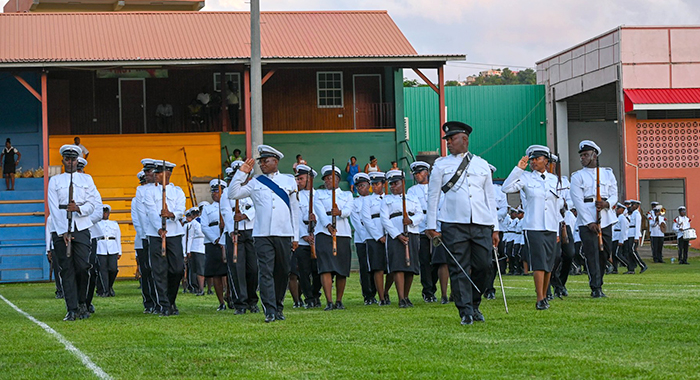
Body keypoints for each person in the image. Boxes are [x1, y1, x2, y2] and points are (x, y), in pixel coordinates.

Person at [426, 121, 500, 325]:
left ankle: (475, 303)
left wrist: (496, 228)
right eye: (447, 139)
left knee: (484, 265)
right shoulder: (441, 164)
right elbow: (433, 196)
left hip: (481, 223)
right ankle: (465, 310)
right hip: (453, 222)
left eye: (452, 138)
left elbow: (490, 198)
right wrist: (431, 225)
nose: (448, 142)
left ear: (464, 139)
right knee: (458, 267)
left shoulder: (481, 164)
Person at [228, 145, 299, 323]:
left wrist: (295, 236)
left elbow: (295, 211)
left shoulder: (289, 181)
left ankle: (278, 305)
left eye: (265, 161)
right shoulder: (255, 182)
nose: (262, 164)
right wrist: (242, 173)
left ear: (275, 161)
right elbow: (233, 193)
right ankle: (269, 310)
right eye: (260, 161)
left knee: (282, 272)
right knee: (265, 271)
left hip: (284, 233)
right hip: (262, 234)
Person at [502, 145, 565, 310]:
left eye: (537, 159)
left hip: (551, 226)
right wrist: (518, 169)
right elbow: (506, 188)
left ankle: (545, 296)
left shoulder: (554, 180)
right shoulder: (526, 178)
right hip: (533, 226)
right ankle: (539, 298)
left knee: (549, 264)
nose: (533, 162)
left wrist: (558, 230)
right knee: (539, 262)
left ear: (546, 161)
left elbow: (557, 206)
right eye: (532, 159)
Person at [48, 144, 101, 321]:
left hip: (81, 227)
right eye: (67, 159)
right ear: (63, 160)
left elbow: (93, 203)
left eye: (73, 159)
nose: (70, 162)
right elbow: (54, 208)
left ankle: (82, 302)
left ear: (77, 160)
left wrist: (79, 208)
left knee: (82, 267)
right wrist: (63, 231)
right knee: (66, 269)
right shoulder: (55, 181)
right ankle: (71, 308)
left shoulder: (87, 180)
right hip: (61, 230)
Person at [570, 140, 618, 298]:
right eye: (581, 155)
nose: (582, 158)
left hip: (606, 217)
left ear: (594, 155)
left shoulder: (607, 173)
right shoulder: (577, 176)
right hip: (587, 220)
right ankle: (596, 287)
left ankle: (600, 279)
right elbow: (577, 200)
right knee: (592, 254)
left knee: (605, 253)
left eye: (586, 155)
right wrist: (589, 222)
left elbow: (614, 194)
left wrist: (607, 203)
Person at [142, 160, 186, 316]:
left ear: (168, 174)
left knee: (177, 269)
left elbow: (181, 209)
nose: (156, 175)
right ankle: (164, 305)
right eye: (156, 172)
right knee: (159, 270)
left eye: (159, 173)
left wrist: (171, 214)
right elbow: (151, 212)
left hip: (174, 233)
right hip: (156, 235)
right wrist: (159, 228)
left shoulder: (178, 192)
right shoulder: (149, 192)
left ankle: (171, 299)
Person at [312, 164, 353, 310]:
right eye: (326, 179)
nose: (328, 181)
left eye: (331, 178)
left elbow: (348, 210)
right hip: (324, 232)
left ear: (338, 179)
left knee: (341, 268)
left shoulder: (347, 195)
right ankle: (329, 300)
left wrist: (340, 212)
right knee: (326, 267)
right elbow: (320, 211)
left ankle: (339, 300)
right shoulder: (319, 194)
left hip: (342, 232)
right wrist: (328, 225)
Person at [381, 170, 423, 308]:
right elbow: (384, 220)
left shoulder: (412, 197)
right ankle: (400, 298)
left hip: (412, 233)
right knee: (398, 266)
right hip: (396, 235)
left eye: (396, 183)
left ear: (403, 183)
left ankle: (406, 295)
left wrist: (411, 220)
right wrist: (397, 235)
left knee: (410, 267)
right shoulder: (386, 200)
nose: (393, 186)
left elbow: (420, 214)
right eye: (391, 184)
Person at [223, 161, 259, 313]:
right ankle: (240, 302)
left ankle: (252, 300)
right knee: (237, 268)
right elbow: (225, 212)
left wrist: (245, 215)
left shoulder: (253, 189)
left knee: (253, 268)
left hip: (251, 230)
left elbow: (258, 207)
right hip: (234, 233)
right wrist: (232, 230)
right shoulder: (227, 192)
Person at [406, 161, 439, 302]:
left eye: (419, 173)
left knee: (437, 261)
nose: (417, 176)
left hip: (436, 227)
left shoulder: (436, 188)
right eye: (415, 174)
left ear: (427, 173)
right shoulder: (412, 190)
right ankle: (428, 291)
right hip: (420, 229)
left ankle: (434, 286)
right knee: (424, 261)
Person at [295, 164, 322, 308]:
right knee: (304, 272)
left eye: (301, 179)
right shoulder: (295, 196)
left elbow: (323, 215)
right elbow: (295, 218)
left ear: (310, 179)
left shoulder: (318, 195)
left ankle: (316, 293)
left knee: (318, 271)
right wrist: (303, 235)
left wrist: (315, 220)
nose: (298, 182)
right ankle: (309, 298)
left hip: (316, 239)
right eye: (297, 179)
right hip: (302, 239)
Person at [200, 179, 229, 311]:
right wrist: (216, 240)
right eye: (213, 192)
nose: (215, 194)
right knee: (216, 273)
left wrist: (224, 238)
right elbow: (204, 227)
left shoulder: (228, 205)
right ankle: (221, 301)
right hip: (213, 242)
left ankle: (230, 295)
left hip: (226, 239)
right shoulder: (207, 208)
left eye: (217, 191)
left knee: (229, 272)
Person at [362, 171, 390, 305]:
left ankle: (386, 290)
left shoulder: (389, 199)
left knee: (393, 267)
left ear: (383, 185)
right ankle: (381, 297)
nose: (375, 187)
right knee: (377, 267)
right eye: (373, 184)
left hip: (391, 235)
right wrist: (379, 236)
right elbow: (367, 220)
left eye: (377, 184)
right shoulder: (367, 200)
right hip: (374, 237)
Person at [134, 159, 158, 313]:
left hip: (157, 236)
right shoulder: (138, 195)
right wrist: (145, 236)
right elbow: (138, 220)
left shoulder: (159, 191)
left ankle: (159, 300)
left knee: (158, 270)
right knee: (147, 271)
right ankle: (149, 301)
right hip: (143, 238)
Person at [350, 172, 377, 305]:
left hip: (375, 238)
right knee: (365, 267)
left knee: (376, 267)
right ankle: (368, 295)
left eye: (363, 185)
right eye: (358, 186)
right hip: (362, 239)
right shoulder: (355, 203)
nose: (360, 188)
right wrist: (366, 237)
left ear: (369, 186)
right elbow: (356, 223)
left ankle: (378, 292)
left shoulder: (375, 200)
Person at [484, 164, 509, 300]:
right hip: (480, 227)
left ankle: (489, 288)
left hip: (496, 228)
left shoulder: (499, 191)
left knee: (493, 260)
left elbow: (504, 209)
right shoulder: (477, 190)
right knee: (482, 260)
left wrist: (492, 218)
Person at [96, 205, 121, 297]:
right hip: (100, 248)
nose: (105, 214)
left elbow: (118, 237)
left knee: (113, 269)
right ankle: (105, 290)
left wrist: (119, 251)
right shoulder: (97, 224)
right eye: (103, 212)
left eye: (106, 212)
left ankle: (109, 286)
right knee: (103, 270)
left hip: (112, 247)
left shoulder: (114, 224)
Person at [184, 208, 206, 295]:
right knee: (197, 270)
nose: (196, 214)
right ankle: (199, 288)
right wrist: (188, 250)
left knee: (202, 269)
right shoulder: (193, 223)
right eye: (194, 213)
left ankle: (203, 288)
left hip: (204, 246)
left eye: (197, 213)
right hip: (196, 247)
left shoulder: (204, 221)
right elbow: (190, 237)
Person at [624, 200, 648, 274]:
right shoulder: (633, 214)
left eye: (633, 205)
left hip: (634, 234)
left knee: (633, 251)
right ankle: (631, 269)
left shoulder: (637, 214)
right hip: (630, 234)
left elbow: (637, 226)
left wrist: (636, 237)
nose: (632, 206)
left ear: (637, 206)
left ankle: (642, 265)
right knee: (629, 252)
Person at [611, 203, 630, 274]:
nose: (617, 210)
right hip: (615, 237)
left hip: (619, 237)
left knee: (617, 254)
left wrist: (621, 240)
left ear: (622, 210)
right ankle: (615, 269)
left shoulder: (622, 218)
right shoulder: (618, 217)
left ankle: (629, 265)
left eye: (618, 209)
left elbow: (623, 230)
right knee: (613, 254)